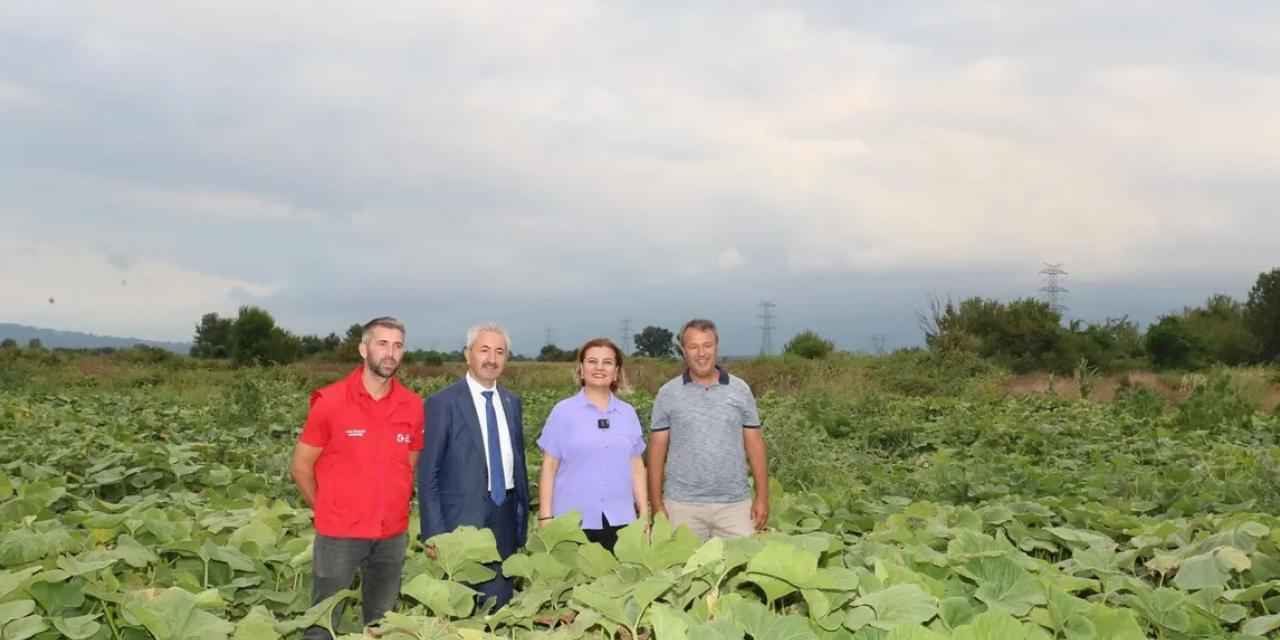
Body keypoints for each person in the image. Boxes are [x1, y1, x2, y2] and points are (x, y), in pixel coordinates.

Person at [290, 317, 423, 640]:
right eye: (382, 344)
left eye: (397, 346)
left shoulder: (413, 406)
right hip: (339, 534)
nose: (390, 353)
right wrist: (325, 508)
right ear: (363, 349)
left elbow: (409, 463)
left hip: (391, 534)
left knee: (382, 622)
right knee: (323, 622)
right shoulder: (330, 402)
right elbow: (301, 466)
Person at [418, 323, 529, 608]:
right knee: (461, 610)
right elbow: (428, 472)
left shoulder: (511, 401)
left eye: (500, 352)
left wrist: (520, 521)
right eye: (484, 350)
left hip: (503, 519)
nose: (492, 359)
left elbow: (517, 462)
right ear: (468, 355)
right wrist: (434, 534)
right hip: (460, 526)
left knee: (499, 606)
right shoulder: (443, 403)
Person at [647, 318, 768, 540]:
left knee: (742, 570)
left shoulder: (740, 390)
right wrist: (656, 505)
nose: (701, 353)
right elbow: (656, 450)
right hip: (681, 505)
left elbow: (755, 444)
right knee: (678, 571)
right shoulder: (668, 393)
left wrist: (762, 498)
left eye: (707, 345)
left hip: (735, 505)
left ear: (716, 347)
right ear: (683, 351)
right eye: (693, 346)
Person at [536, 338, 648, 552]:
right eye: (592, 361)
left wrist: (643, 515)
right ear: (581, 369)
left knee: (620, 582)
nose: (599, 368)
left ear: (616, 372)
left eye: (607, 362)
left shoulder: (628, 414)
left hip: (621, 520)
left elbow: (637, 468)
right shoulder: (563, 412)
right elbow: (549, 467)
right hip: (573, 522)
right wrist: (545, 516)